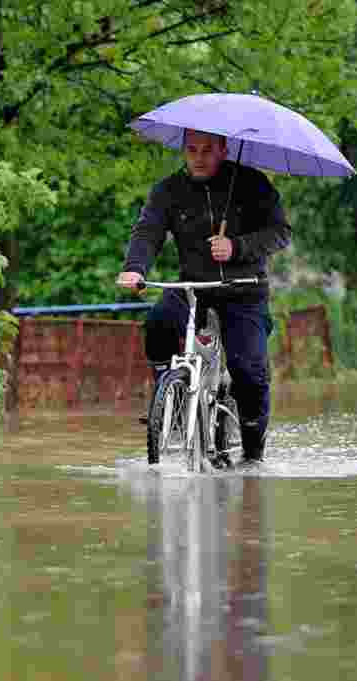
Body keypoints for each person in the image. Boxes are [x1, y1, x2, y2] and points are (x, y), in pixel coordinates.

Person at [116, 128, 291, 463]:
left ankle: (253, 452)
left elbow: (280, 232)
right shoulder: (168, 190)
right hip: (194, 288)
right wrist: (135, 268)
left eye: (207, 150)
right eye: (192, 150)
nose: (198, 158)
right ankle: (170, 392)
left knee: (249, 370)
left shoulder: (253, 184)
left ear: (224, 150)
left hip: (244, 289)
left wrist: (237, 247)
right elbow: (148, 231)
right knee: (159, 322)